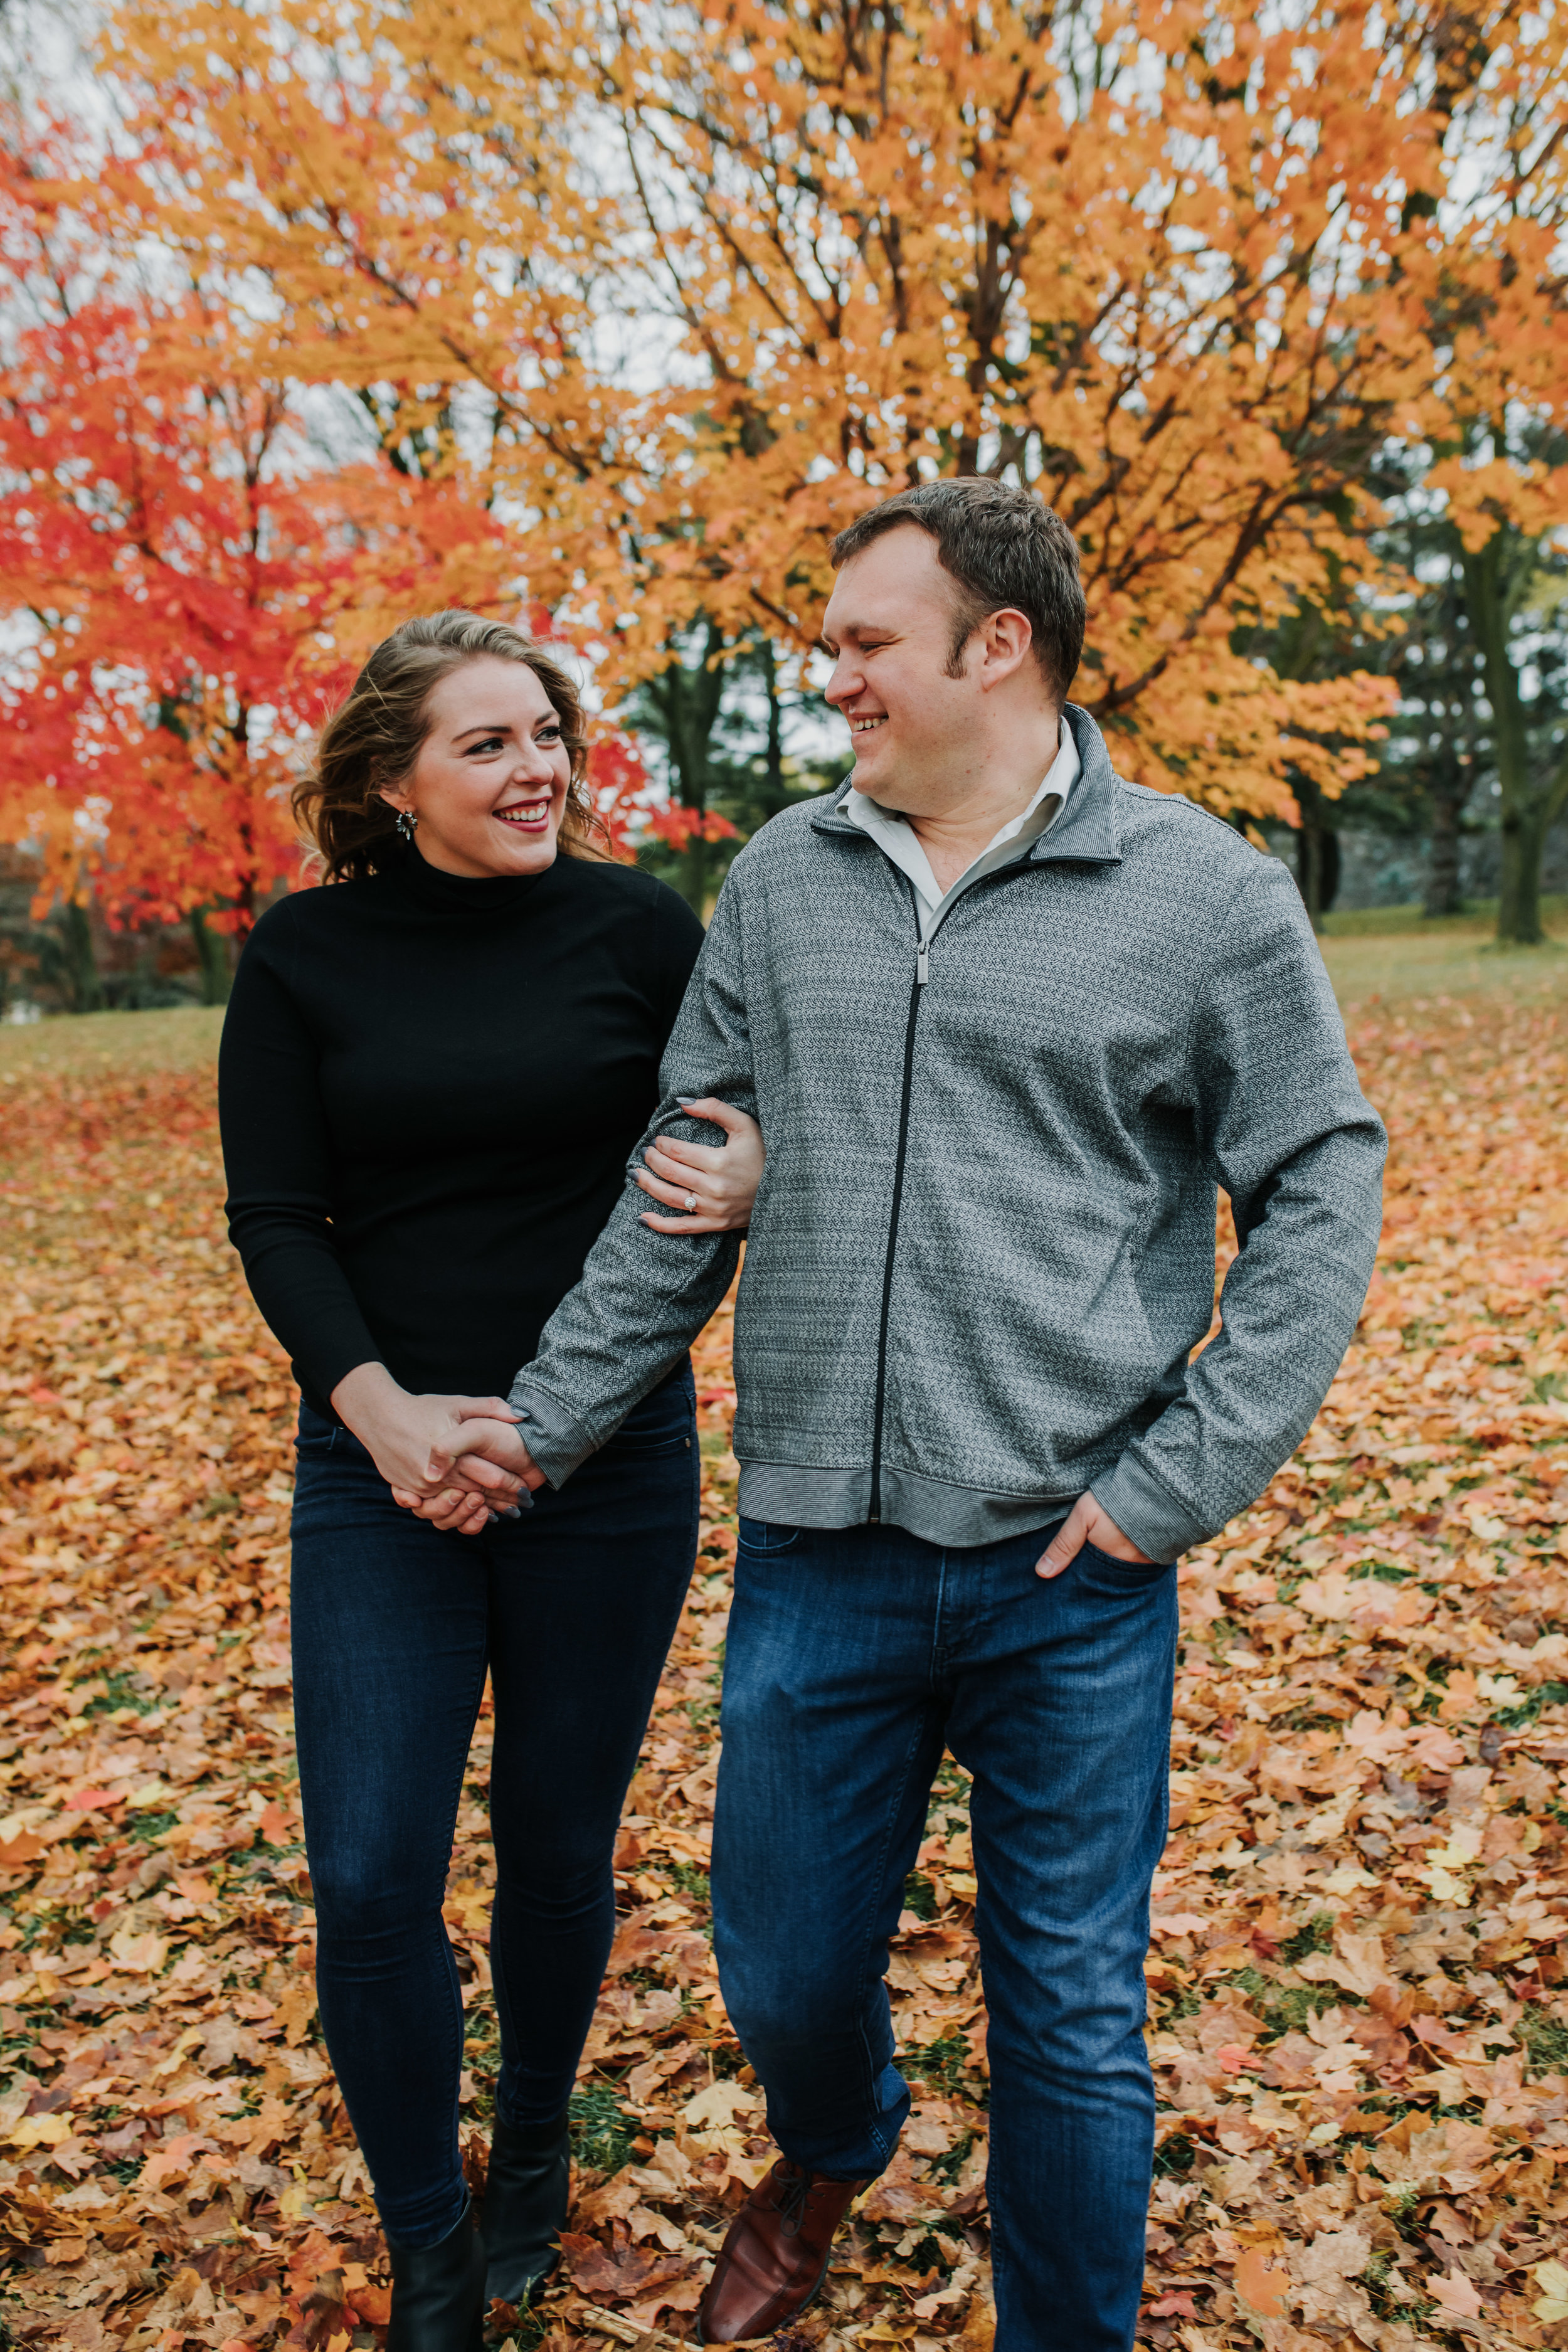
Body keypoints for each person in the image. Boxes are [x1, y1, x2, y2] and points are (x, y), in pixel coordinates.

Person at [423, 483, 1387, 2350]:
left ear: (994, 645)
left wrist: (1177, 1481)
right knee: (782, 1978)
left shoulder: (1201, 897)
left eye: (865, 639)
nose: (833, 673)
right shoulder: (787, 876)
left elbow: (1322, 1184)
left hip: (1072, 1566)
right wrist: (539, 1421)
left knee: (1069, 2024)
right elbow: (679, 1175)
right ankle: (836, 2140)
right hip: (818, 1554)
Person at [217, 612, 764, 2352]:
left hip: (603, 1466)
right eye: (487, 743)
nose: (537, 768)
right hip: (377, 1467)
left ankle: (531, 2141)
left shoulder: (633, 930)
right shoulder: (302, 954)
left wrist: (754, 1168)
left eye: (546, 734)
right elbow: (275, 1219)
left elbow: (708, 1160)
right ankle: (431, 2244)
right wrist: (378, 1413)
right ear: (392, 779)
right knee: (372, 1873)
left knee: (553, 1840)